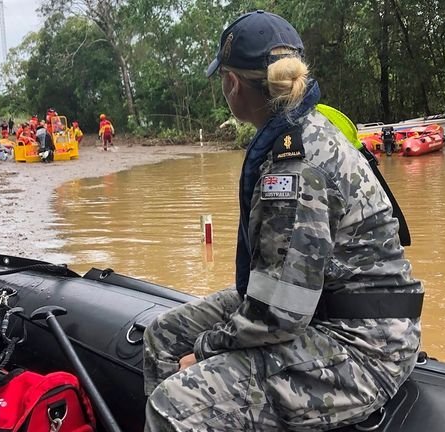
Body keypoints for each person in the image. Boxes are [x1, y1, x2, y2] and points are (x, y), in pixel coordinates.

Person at [143, 10, 423, 431]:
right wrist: (202, 348)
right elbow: (280, 296)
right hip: (318, 308)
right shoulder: (297, 132)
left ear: (233, 84)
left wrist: (202, 353)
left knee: (173, 405)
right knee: (162, 335)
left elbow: (278, 315)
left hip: (364, 343)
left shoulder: (294, 167)